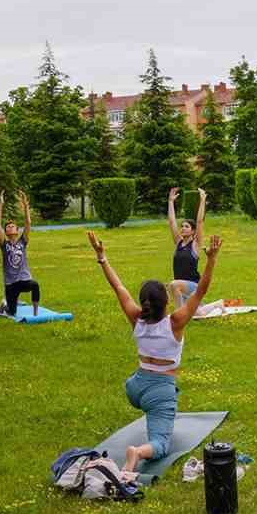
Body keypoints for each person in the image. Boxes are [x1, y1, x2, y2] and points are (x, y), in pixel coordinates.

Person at [88, 229, 222, 482]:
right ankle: (136, 453)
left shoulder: (136, 317)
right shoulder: (176, 322)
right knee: (161, 445)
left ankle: (149, 421)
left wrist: (102, 257)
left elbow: (118, 287)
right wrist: (212, 259)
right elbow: (201, 292)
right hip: (158, 392)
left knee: (156, 401)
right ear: (166, 303)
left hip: (135, 387)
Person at [0, 190, 40, 317]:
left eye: (12, 226)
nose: (9, 228)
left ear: (17, 230)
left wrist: (26, 207)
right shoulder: (4, 244)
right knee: (12, 312)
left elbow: (28, 223)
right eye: (7, 227)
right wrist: (1, 203)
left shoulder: (23, 242)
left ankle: (36, 313)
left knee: (35, 285)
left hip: (24, 280)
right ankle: (5, 306)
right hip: (11, 284)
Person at [167, 186, 207, 307]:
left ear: (193, 231)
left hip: (194, 285)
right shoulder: (178, 242)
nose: (183, 228)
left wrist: (202, 200)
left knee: (173, 285)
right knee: (199, 312)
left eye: (186, 226)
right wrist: (170, 202)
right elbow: (171, 222)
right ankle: (218, 304)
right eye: (182, 226)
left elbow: (199, 221)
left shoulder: (195, 244)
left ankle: (179, 315)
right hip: (181, 287)